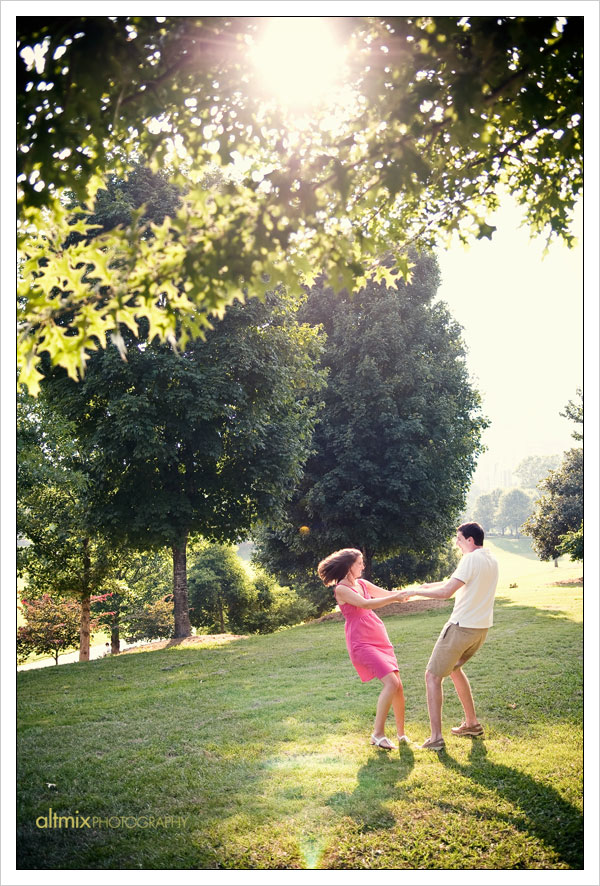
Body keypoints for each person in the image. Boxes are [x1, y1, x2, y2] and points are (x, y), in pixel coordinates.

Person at [399, 522, 499, 751]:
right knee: (454, 669)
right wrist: (425, 585)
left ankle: (435, 738)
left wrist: (415, 592)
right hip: (480, 630)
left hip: (461, 628)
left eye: (460, 539)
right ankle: (472, 724)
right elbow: (453, 582)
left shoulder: (471, 559)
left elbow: (446, 593)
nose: (457, 543)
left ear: (470, 541)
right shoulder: (489, 559)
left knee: (432, 676)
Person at [317, 547, 409, 750]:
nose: (363, 566)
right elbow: (366, 604)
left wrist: (410, 592)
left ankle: (402, 735)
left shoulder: (362, 583)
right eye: (360, 563)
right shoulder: (341, 589)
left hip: (379, 637)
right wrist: (395, 598)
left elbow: (388, 594)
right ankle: (378, 734)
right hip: (361, 642)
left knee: (398, 685)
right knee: (391, 683)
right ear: (349, 566)